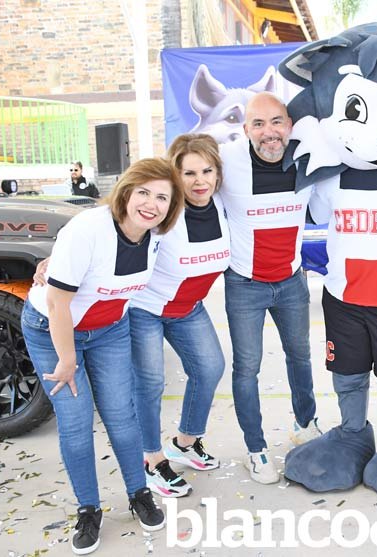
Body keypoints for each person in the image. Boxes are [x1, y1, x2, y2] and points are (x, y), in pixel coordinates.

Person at [21, 158, 184, 554]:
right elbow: (58, 304)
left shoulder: (159, 235)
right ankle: (89, 509)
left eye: (162, 197)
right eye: (143, 192)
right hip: (54, 331)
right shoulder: (89, 228)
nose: (151, 204)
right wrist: (66, 361)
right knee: (76, 423)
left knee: (121, 416)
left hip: (110, 329)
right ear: (126, 192)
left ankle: (139, 492)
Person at [218, 92, 321, 484]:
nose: (269, 132)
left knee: (300, 357)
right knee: (247, 368)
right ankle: (255, 448)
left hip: (291, 280)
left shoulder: (306, 157)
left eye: (277, 121)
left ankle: (306, 425)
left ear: (289, 125)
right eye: (258, 124)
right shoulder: (225, 161)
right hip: (245, 283)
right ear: (245, 130)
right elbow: (171, 189)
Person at [128, 134, 230, 498]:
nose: (200, 181)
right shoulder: (162, 211)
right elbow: (109, 222)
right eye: (189, 173)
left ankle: (184, 444)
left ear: (218, 173)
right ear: (176, 175)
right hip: (145, 309)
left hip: (188, 309)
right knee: (151, 383)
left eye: (207, 171)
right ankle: (151, 460)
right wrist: (55, 258)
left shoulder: (224, 204)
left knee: (210, 368)